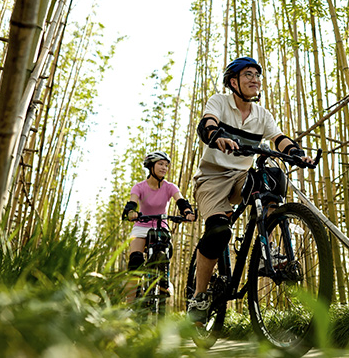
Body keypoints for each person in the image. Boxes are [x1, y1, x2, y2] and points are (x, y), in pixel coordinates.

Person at [187, 56, 313, 324]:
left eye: (257, 75)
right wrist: (216, 135)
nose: (255, 79)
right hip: (212, 178)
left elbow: (278, 138)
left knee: (272, 176)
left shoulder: (262, 115)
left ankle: (267, 251)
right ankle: (199, 296)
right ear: (233, 82)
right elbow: (207, 123)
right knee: (219, 231)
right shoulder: (219, 102)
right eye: (248, 74)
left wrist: (296, 154)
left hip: (241, 177)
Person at [121, 150, 195, 303]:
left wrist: (187, 212)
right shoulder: (139, 187)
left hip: (161, 227)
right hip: (141, 227)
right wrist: (131, 212)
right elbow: (132, 202)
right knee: (135, 262)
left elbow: (181, 201)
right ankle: (129, 305)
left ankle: (163, 287)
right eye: (160, 164)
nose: (164, 168)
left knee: (163, 258)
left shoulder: (170, 187)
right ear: (151, 166)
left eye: (166, 165)